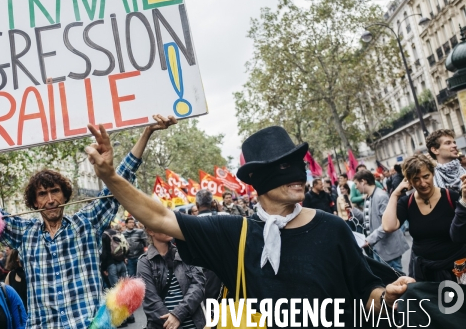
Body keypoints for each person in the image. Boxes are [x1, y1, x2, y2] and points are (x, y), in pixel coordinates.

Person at [84, 124, 415, 327]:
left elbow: (367, 293)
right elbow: (159, 217)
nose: (298, 174)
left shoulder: (333, 229)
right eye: (284, 167)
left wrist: (387, 295)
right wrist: (111, 176)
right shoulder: (234, 234)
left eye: (298, 164)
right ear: (258, 178)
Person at [0, 116, 174, 329]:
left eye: (55, 191)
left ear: (65, 196)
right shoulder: (25, 232)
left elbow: (121, 179)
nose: (50, 199)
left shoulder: (86, 222)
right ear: (34, 203)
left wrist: (147, 133)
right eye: (42, 194)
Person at [382, 154, 466, 281]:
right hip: (424, 272)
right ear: (409, 181)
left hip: (455, 270)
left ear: (432, 174)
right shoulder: (407, 202)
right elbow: (388, 226)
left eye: (426, 176)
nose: (422, 183)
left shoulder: (450, 197)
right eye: (416, 179)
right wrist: (395, 194)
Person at [137, 229, 205, 329]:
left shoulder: (185, 253)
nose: (167, 227)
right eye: (161, 224)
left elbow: (199, 285)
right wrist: (171, 325)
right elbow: (151, 301)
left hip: (194, 324)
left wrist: (178, 314)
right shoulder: (145, 262)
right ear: (151, 231)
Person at [353, 170, 409, 272]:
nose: (356, 187)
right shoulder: (369, 196)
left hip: (389, 249)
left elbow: (387, 225)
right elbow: (369, 220)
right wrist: (353, 211)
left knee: (398, 280)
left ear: (363, 181)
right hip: (378, 248)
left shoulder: (381, 196)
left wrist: (369, 240)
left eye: (356, 184)